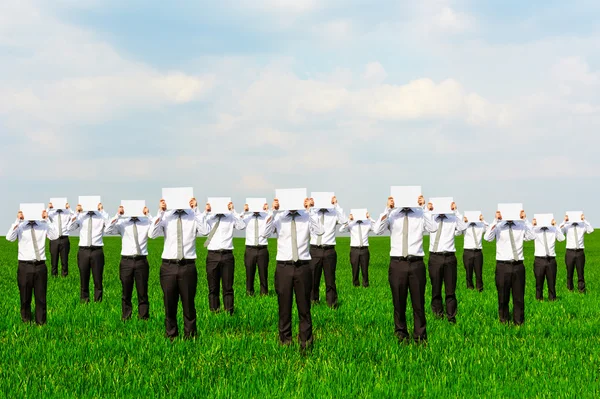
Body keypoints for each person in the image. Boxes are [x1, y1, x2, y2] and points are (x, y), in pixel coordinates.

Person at [262, 198, 324, 353]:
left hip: (303, 266)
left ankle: (306, 343)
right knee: (284, 307)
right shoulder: (279, 218)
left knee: (304, 307)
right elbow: (264, 233)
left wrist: (310, 210)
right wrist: (273, 210)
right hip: (284, 267)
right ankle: (285, 342)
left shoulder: (306, 217)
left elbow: (320, 231)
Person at [373, 195, 437, 344]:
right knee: (398, 302)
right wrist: (387, 209)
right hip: (397, 264)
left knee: (418, 303)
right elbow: (377, 230)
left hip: (416, 264)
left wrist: (424, 208)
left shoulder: (421, 214)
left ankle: (420, 337)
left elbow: (433, 228)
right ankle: (401, 335)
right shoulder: (393, 215)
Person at [148, 198, 209, 339]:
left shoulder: (193, 216)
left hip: (188, 266)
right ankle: (171, 336)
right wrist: (161, 212)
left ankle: (191, 337)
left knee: (189, 304)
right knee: (169, 304)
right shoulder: (166, 216)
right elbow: (152, 234)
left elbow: (205, 231)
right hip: (168, 266)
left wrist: (196, 210)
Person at [6, 209, 59, 325]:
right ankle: (26, 322)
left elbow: (55, 236)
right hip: (24, 266)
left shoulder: (43, 225)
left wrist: (47, 219)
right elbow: (9, 238)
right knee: (25, 297)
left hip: (40, 266)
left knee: (41, 298)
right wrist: (17, 221)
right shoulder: (20, 226)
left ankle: (41, 323)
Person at [484, 210, 534, 325]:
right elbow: (487, 237)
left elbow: (532, 236)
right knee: (502, 297)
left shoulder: (521, 226)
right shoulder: (499, 226)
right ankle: (503, 322)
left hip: (518, 266)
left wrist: (525, 219)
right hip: (502, 266)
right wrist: (495, 220)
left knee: (519, 297)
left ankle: (519, 323)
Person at [105, 204, 153, 320]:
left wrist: (148, 215)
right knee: (126, 292)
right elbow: (107, 230)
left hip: (141, 261)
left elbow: (154, 232)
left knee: (142, 292)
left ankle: (144, 318)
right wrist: (118, 215)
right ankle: (126, 317)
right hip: (126, 261)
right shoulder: (122, 223)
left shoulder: (146, 223)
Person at [425, 201, 466, 324]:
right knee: (435, 288)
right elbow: (427, 227)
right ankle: (438, 315)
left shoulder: (453, 218)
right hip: (435, 257)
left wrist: (455, 211)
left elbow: (463, 227)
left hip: (449, 258)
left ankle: (451, 317)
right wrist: (427, 210)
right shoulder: (431, 218)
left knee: (450, 290)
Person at [202, 201, 246, 315]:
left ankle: (229, 313)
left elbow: (241, 226)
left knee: (228, 287)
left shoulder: (231, 217)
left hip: (227, 255)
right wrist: (205, 212)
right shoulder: (209, 218)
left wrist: (233, 210)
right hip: (212, 255)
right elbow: (203, 231)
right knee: (213, 287)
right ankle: (214, 312)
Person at [309, 196, 347, 308]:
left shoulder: (334, 213)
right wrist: (310, 207)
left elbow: (345, 221)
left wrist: (336, 205)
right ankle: (313, 301)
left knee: (330, 279)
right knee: (312, 278)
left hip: (329, 250)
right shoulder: (312, 213)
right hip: (315, 249)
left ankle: (332, 304)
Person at [68, 203, 110, 303]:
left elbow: (109, 226)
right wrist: (77, 213)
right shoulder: (81, 217)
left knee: (98, 279)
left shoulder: (101, 216)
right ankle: (84, 300)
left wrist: (102, 210)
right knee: (83, 278)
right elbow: (69, 228)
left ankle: (98, 301)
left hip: (97, 251)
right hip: (83, 251)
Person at [528, 217, 565, 301]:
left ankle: (552, 300)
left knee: (552, 283)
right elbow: (527, 237)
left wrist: (555, 225)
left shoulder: (553, 229)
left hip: (551, 260)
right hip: (539, 260)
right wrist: (532, 226)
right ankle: (538, 300)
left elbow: (562, 238)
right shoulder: (535, 230)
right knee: (538, 283)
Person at [240, 202, 271, 296]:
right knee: (249, 273)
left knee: (263, 273)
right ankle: (249, 293)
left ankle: (264, 293)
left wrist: (268, 210)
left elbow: (272, 220)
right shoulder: (247, 217)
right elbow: (239, 225)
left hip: (262, 249)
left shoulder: (266, 216)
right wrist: (244, 212)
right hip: (250, 249)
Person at [560, 214, 594, 293]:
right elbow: (559, 231)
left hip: (580, 252)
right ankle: (570, 289)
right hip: (569, 252)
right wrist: (564, 221)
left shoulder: (582, 226)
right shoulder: (567, 226)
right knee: (569, 272)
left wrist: (584, 220)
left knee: (580, 272)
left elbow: (591, 230)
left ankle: (581, 290)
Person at [339, 212, 374, 287]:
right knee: (355, 269)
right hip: (354, 250)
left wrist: (370, 218)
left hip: (364, 249)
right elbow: (341, 230)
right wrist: (348, 220)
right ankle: (355, 285)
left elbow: (376, 229)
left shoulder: (367, 223)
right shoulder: (351, 224)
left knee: (365, 269)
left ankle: (366, 285)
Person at [458, 213, 488, 292]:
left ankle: (480, 289)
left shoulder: (480, 225)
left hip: (478, 252)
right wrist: (463, 222)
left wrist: (483, 220)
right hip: (467, 251)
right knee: (468, 272)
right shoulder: (465, 226)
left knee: (479, 272)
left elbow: (488, 230)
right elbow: (457, 232)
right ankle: (469, 288)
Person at [46, 201, 75, 277]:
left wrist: (69, 208)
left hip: (64, 238)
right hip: (54, 239)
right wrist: (49, 208)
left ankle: (64, 276)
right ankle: (54, 276)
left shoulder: (67, 213)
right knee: (54, 260)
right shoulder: (51, 213)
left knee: (65, 260)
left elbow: (75, 217)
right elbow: (43, 216)